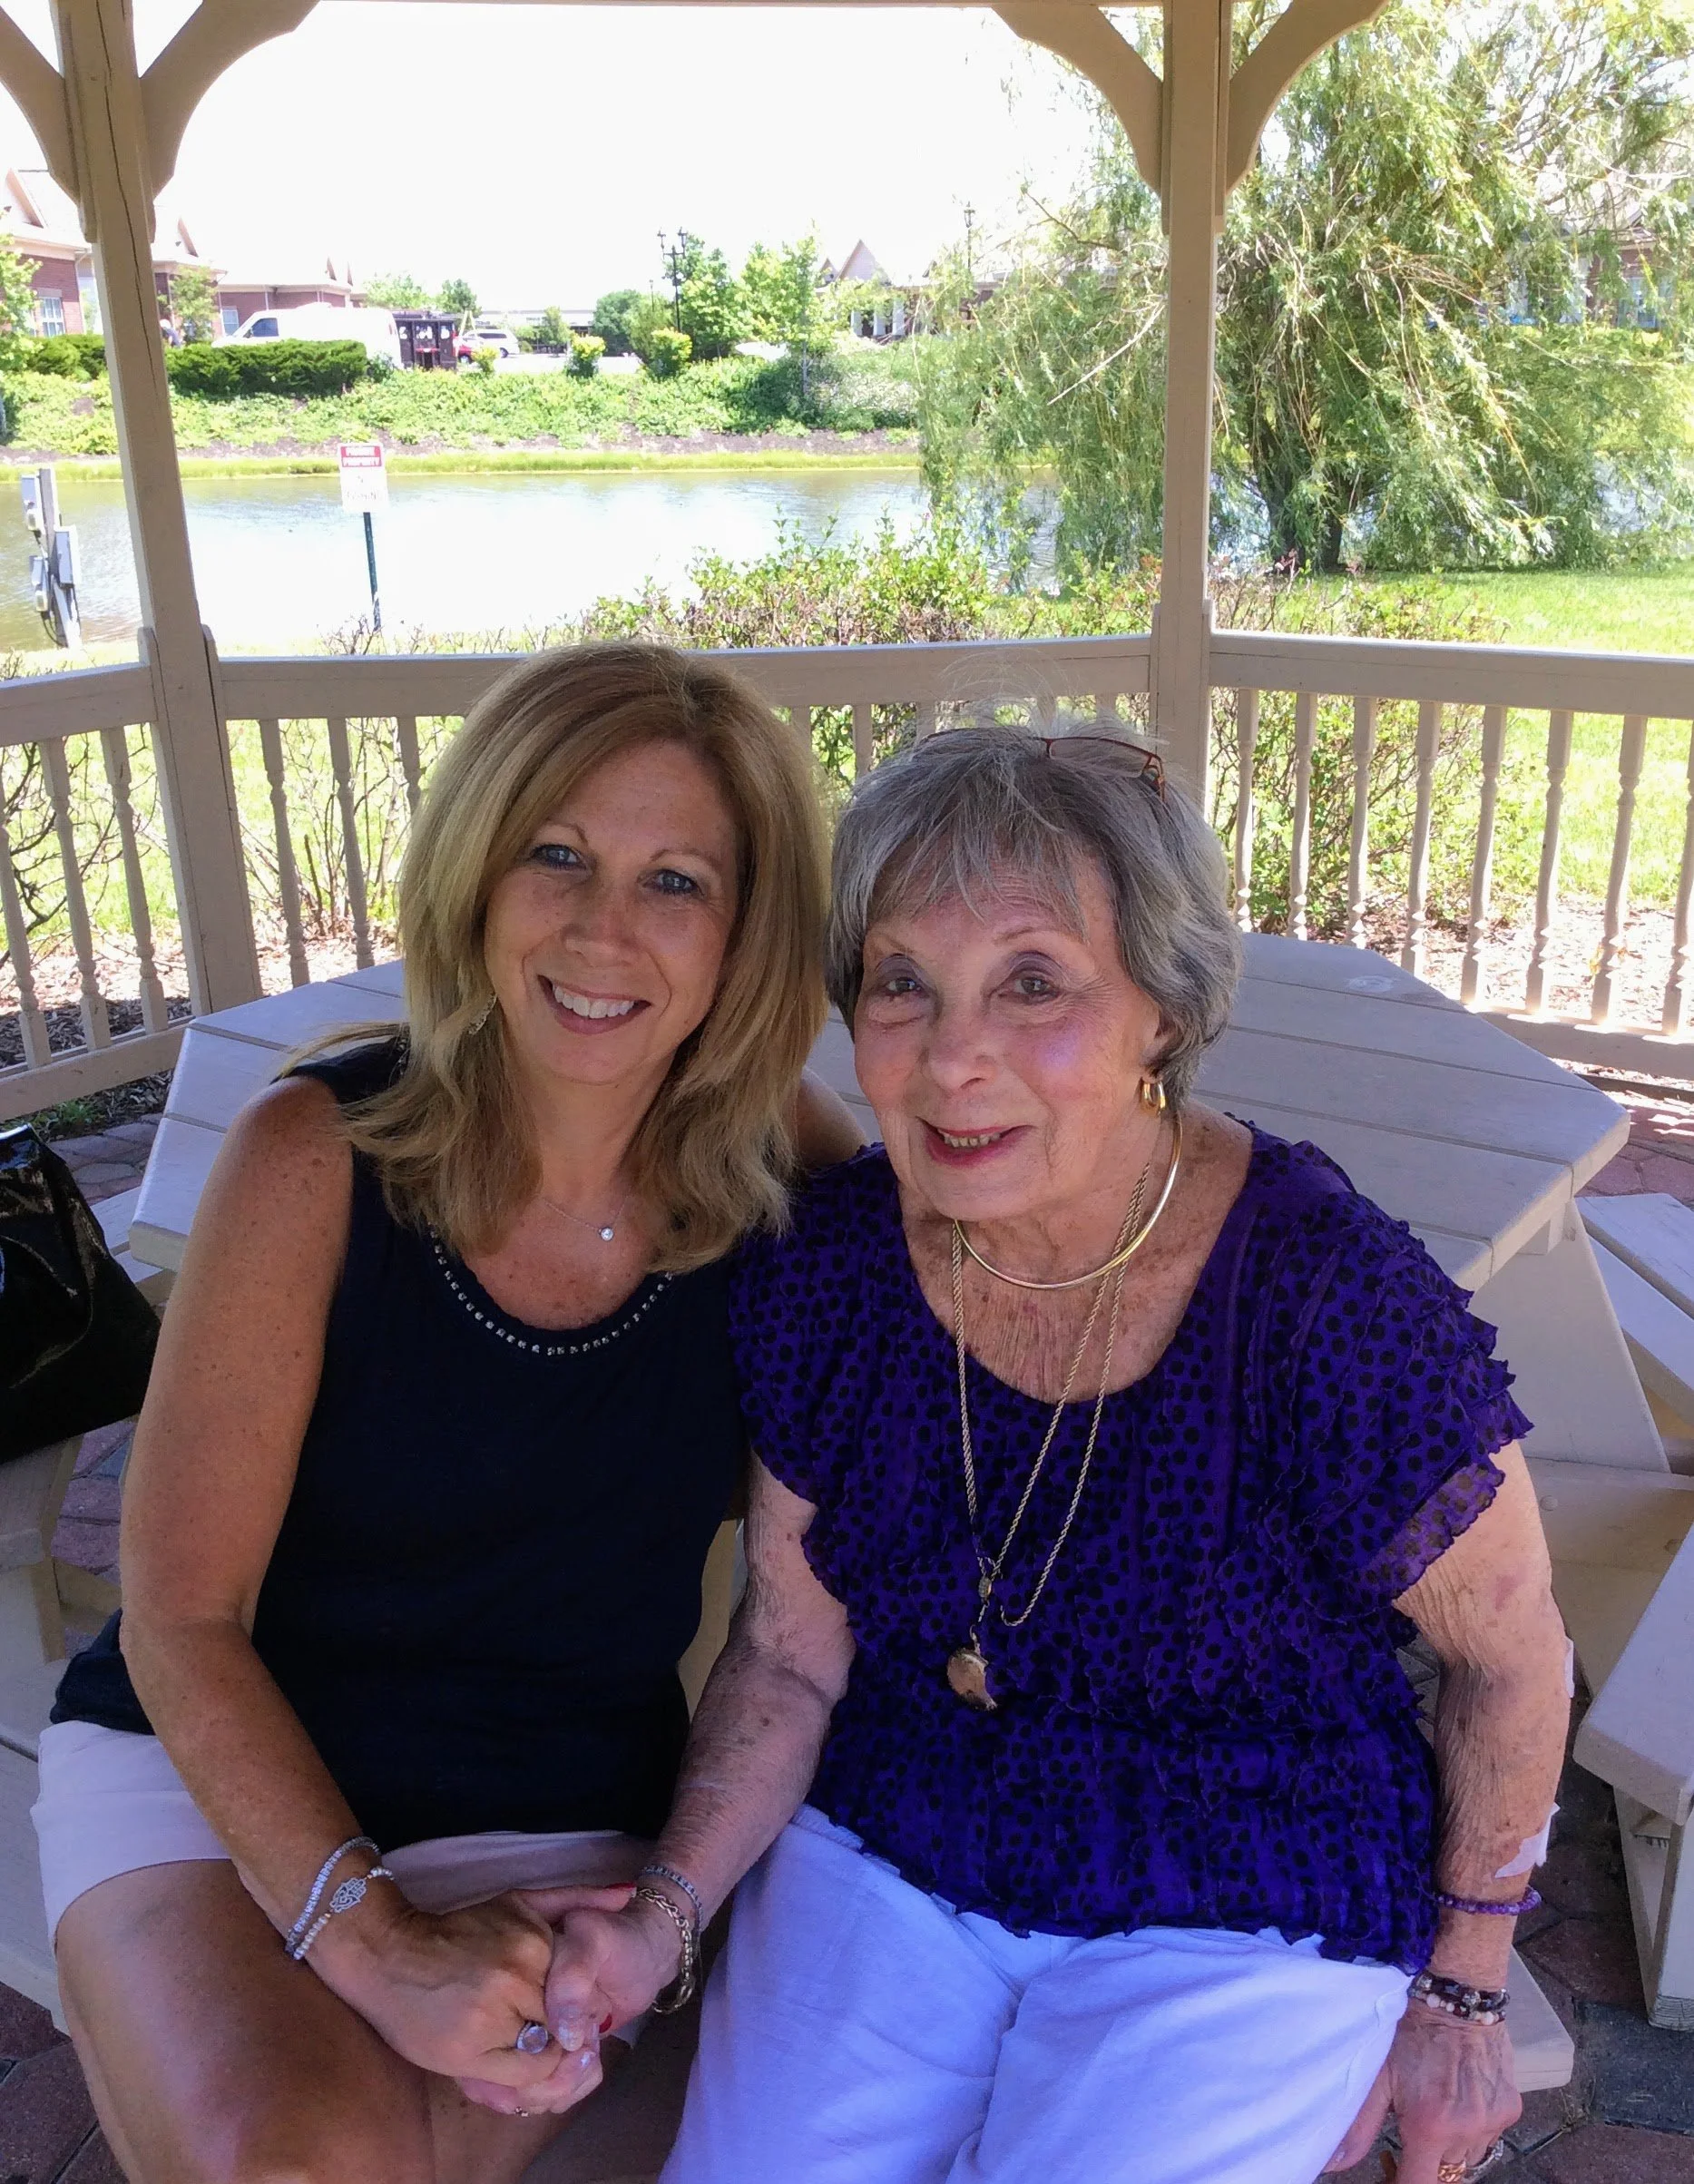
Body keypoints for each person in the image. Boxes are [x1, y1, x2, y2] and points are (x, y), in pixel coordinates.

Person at [543, 724, 1572, 2184]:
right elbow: (784, 1654)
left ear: (1163, 1009)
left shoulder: (1320, 1294)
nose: (951, 1056)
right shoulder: (833, 1271)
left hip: (1246, 1885)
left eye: (1033, 982)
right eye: (901, 980)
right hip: (898, 1835)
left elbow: (1510, 1656)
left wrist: (1460, 1997)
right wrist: (663, 1912)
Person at [34, 642, 860, 2184]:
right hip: (228, 1771)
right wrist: (376, 1945)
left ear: (744, 935)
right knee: (301, 2166)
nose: (602, 927)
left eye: (675, 881)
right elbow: (181, 1615)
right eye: (556, 854)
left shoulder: (792, 1191)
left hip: (570, 1806)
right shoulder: (314, 1156)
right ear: (475, 876)